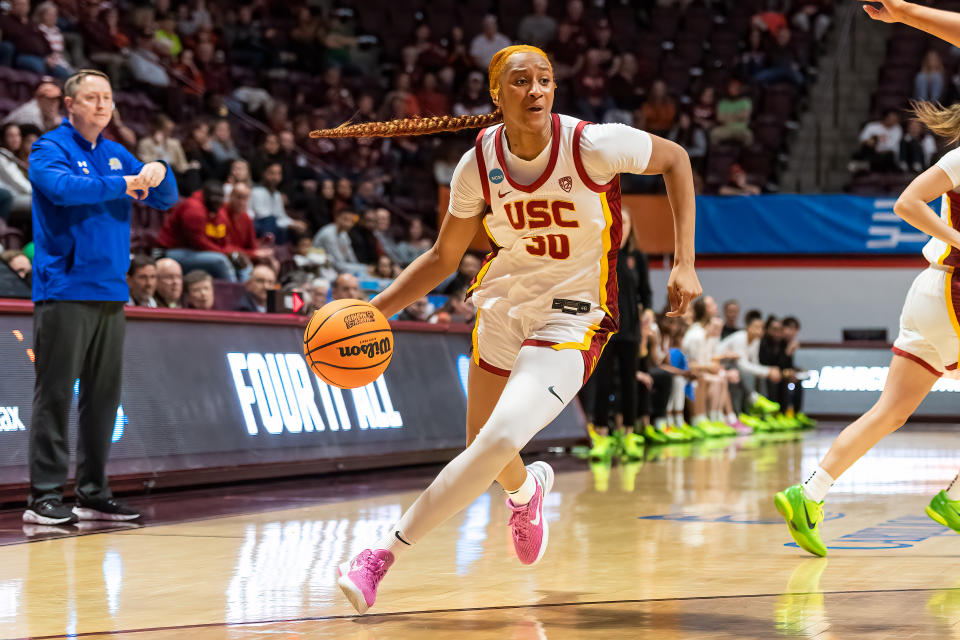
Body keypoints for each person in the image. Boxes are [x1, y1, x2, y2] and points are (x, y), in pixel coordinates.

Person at [309, 44, 700, 613]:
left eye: (545, 80)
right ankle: (526, 491)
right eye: (521, 82)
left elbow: (676, 160)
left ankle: (379, 556)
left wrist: (684, 260)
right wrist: (376, 310)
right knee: (482, 448)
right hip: (504, 301)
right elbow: (444, 258)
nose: (537, 90)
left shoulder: (591, 144)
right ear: (497, 94)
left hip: (574, 310)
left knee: (493, 442)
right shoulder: (478, 165)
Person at [776, 2, 960, 553]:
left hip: (927, 293)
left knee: (891, 410)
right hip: (954, 286)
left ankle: (810, 490)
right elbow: (907, 202)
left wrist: (904, 11)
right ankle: (954, 498)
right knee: (891, 410)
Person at [25, 69, 178, 526]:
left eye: (107, 97)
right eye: (91, 97)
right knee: (54, 394)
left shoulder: (116, 154)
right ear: (70, 105)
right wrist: (127, 183)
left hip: (111, 289)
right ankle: (44, 497)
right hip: (64, 288)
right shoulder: (49, 148)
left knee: (103, 396)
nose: (101, 105)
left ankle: (93, 492)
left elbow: (165, 199)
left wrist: (159, 170)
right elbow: (63, 190)